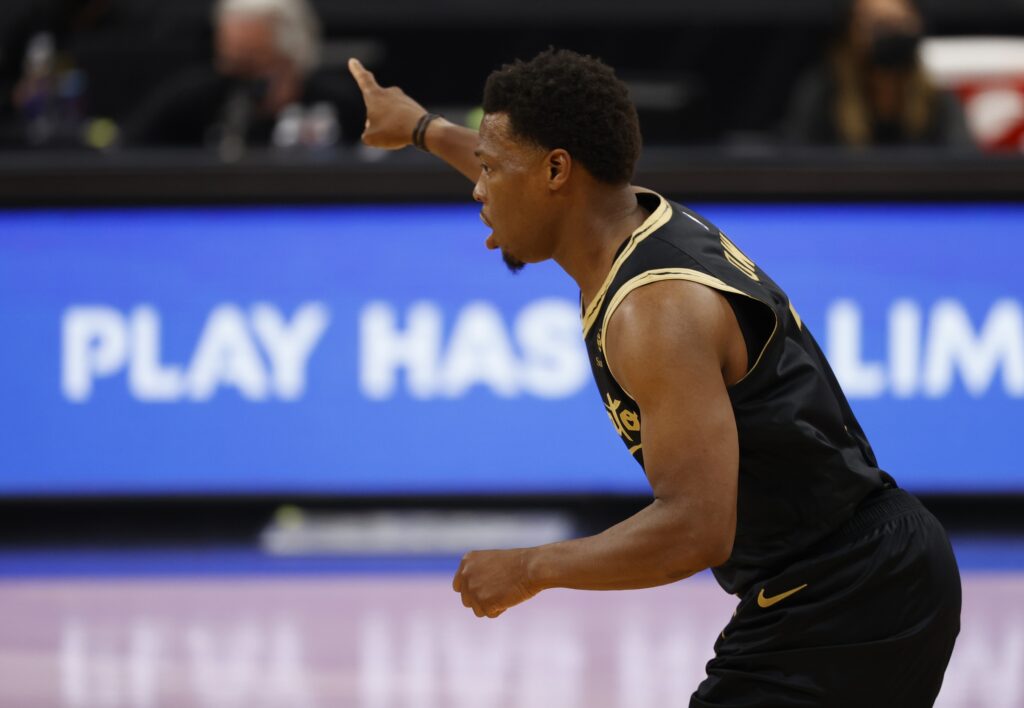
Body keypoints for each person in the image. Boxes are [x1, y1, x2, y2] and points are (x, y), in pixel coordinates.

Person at [348, 49, 961, 706]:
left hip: (848, 594)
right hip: (860, 577)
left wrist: (529, 568)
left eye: (490, 170)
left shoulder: (654, 312)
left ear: (557, 171)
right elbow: (523, 171)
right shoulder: (625, 216)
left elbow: (696, 528)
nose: (479, 187)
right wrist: (420, 128)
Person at [123, 0, 362, 153]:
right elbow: (125, 153)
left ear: (290, 56)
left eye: (253, 62)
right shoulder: (194, 100)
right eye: (229, 60)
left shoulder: (341, 103)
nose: (240, 77)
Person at [783, 0, 972, 148]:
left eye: (899, 23)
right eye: (879, 25)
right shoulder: (824, 93)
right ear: (851, 30)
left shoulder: (936, 98)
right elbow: (796, 162)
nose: (891, 35)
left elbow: (964, 166)